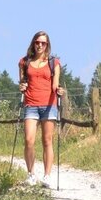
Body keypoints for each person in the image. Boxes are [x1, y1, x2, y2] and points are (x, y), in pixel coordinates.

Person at [17, 30, 64, 188]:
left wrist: (59, 91)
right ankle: (31, 174)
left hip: (49, 104)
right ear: (33, 43)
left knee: (47, 140)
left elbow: (55, 83)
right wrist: (21, 86)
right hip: (31, 104)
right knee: (29, 139)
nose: (40, 45)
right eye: (37, 42)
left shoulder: (54, 63)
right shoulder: (24, 62)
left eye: (43, 43)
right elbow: (22, 82)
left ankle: (47, 175)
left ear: (47, 45)